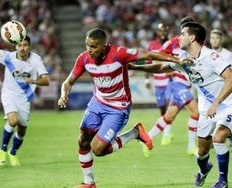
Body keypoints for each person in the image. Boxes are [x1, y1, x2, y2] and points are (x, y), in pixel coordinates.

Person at [57, 28, 185, 188]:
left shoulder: (119, 53)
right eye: (87, 45)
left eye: (94, 46)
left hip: (118, 108)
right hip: (97, 103)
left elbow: (148, 54)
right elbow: (68, 82)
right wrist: (64, 94)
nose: (89, 50)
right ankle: (89, 183)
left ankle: (135, 133)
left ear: (104, 46)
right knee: (83, 141)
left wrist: (177, 60)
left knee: (98, 149)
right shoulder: (84, 58)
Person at [129, 22, 232, 188]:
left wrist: (217, 102)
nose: (179, 37)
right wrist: (135, 67)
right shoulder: (184, 58)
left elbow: (230, 78)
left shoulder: (210, 57)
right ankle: (204, 170)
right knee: (201, 153)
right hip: (207, 110)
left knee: (219, 138)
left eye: (183, 34)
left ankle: (222, 181)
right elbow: (161, 67)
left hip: (227, 104)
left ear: (192, 37)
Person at [141, 17, 199, 157]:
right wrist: (168, 68)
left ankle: (147, 138)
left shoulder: (196, 44)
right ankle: (191, 147)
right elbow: (157, 54)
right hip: (177, 84)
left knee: (168, 117)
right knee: (196, 112)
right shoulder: (173, 42)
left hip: (186, 84)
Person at [0, 35, 50, 166]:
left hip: (25, 97)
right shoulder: (8, 57)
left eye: (25, 45)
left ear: (30, 46)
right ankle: (2, 149)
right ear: (15, 46)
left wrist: (34, 80)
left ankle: (13, 152)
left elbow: (46, 80)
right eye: (19, 45)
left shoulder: (35, 60)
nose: (22, 48)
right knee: (13, 121)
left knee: (22, 130)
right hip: (9, 94)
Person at [144, 23, 172, 135]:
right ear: (158, 32)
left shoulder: (172, 44)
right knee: (161, 106)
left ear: (167, 32)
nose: (163, 33)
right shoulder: (152, 45)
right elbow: (148, 62)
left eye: (165, 30)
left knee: (170, 104)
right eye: (161, 30)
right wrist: (147, 79)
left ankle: (167, 133)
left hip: (170, 80)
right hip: (158, 81)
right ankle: (165, 127)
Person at [209, 28, 232, 147]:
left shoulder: (228, 55)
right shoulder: (206, 54)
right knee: (210, 115)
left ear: (221, 40)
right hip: (212, 91)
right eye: (212, 38)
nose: (214, 40)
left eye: (217, 38)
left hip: (226, 91)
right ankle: (213, 138)